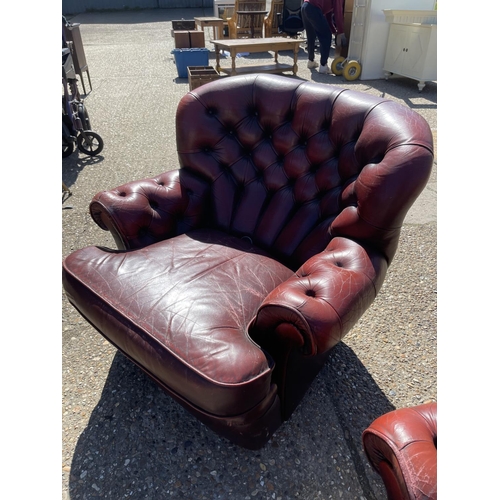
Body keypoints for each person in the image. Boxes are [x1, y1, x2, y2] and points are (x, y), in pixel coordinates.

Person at [301, 0, 346, 74]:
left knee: (311, 36)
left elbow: (328, 16)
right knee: (326, 37)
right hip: (314, 8)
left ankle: (311, 61)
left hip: (305, 6)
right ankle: (323, 66)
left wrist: (334, 31)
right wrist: (341, 32)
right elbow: (338, 14)